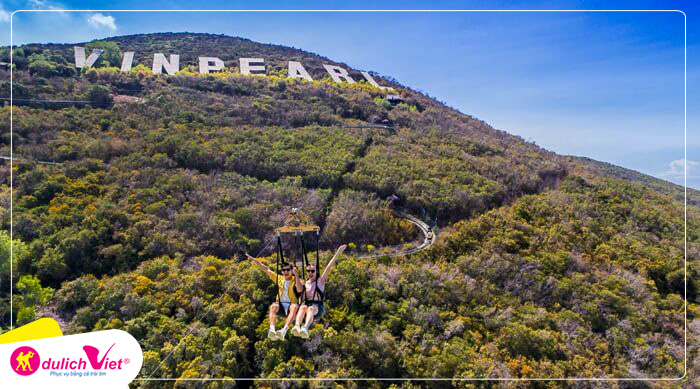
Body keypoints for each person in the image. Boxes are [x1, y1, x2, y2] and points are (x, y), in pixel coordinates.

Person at [292, 244, 347, 339]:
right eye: (308, 271)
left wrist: (338, 252)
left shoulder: (320, 281)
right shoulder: (306, 283)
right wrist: (296, 275)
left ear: (316, 272)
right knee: (303, 307)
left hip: (318, 308)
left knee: (310, 308)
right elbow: (299, 290)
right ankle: (297, 326)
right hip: (306, 306)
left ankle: (305, 328)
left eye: (312, 271)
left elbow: (329, 266)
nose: (310, 273)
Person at [247, 253, 303, 341]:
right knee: (273, 306)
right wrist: (254, 260)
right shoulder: (280, 279)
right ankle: (272, 329)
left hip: (291, 305)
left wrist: (296, 276)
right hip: (280, 305)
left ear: (292, 271)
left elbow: (300, 290)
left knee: (294, 306)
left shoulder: (296, 280)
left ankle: (284, 330)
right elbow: (266, 269)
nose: (285, 272)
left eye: (288, 270)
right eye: (284, 270)